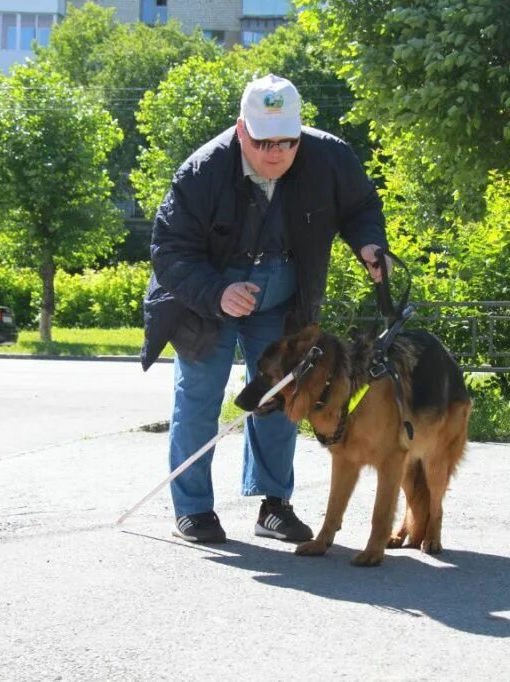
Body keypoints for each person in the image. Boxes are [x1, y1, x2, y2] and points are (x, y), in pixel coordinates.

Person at [139, 74, 388, 544]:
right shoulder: (201, 171)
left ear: (300, 133)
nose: (275, 153)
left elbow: (361, 207)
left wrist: (370, 244)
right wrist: (217, 292)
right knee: (199, 397)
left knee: (284, 395)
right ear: (240, 131)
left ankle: (273, 505)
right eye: (262, 142)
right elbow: (169, 250)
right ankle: (193, 510)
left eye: (287, 142)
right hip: (205, 296)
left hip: (283, 294)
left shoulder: (330, 157)